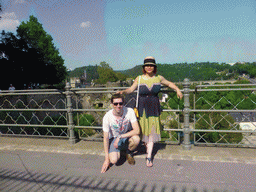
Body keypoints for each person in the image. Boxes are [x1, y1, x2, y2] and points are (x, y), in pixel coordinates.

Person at [118, 56, 183, 167]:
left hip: (153, 108)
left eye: (151, 65)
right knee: (142, 131)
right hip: (142, 109)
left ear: (154, 67)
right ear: (144, 67)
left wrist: (177, 89)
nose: (149, 67)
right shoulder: (139, 78)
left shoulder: (159, 78)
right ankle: (130, 150)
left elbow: (169, 83)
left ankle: (149, 156)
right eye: (147, 65)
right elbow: (131, 89)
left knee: (152, 131)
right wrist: (123, 91)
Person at [101, 93, 140, 173]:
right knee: (114, 160)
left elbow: (137, 130)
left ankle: (128, 152)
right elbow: (106, 138)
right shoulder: (107, 117)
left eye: (120, 103)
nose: (118, 106)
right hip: (114, 139)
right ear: (112, 104)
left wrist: (120, 136)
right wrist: (106, 159)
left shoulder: (130, 111)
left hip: (125, 135)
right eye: (115, 104)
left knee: (136, 139)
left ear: (123, 103)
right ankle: (121, 151)